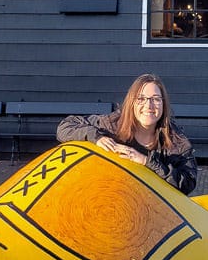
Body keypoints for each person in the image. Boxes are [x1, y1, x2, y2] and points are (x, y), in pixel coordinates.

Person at [56, 74, 198, 195]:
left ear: (163, 104)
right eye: (141, 99)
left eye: (156, 99)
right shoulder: (111, 125)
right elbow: (65, 126)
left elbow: (187, 184)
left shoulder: (177, 142)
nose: (149, 106)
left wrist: (147, 162)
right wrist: (97, 137)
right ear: (132, 102)